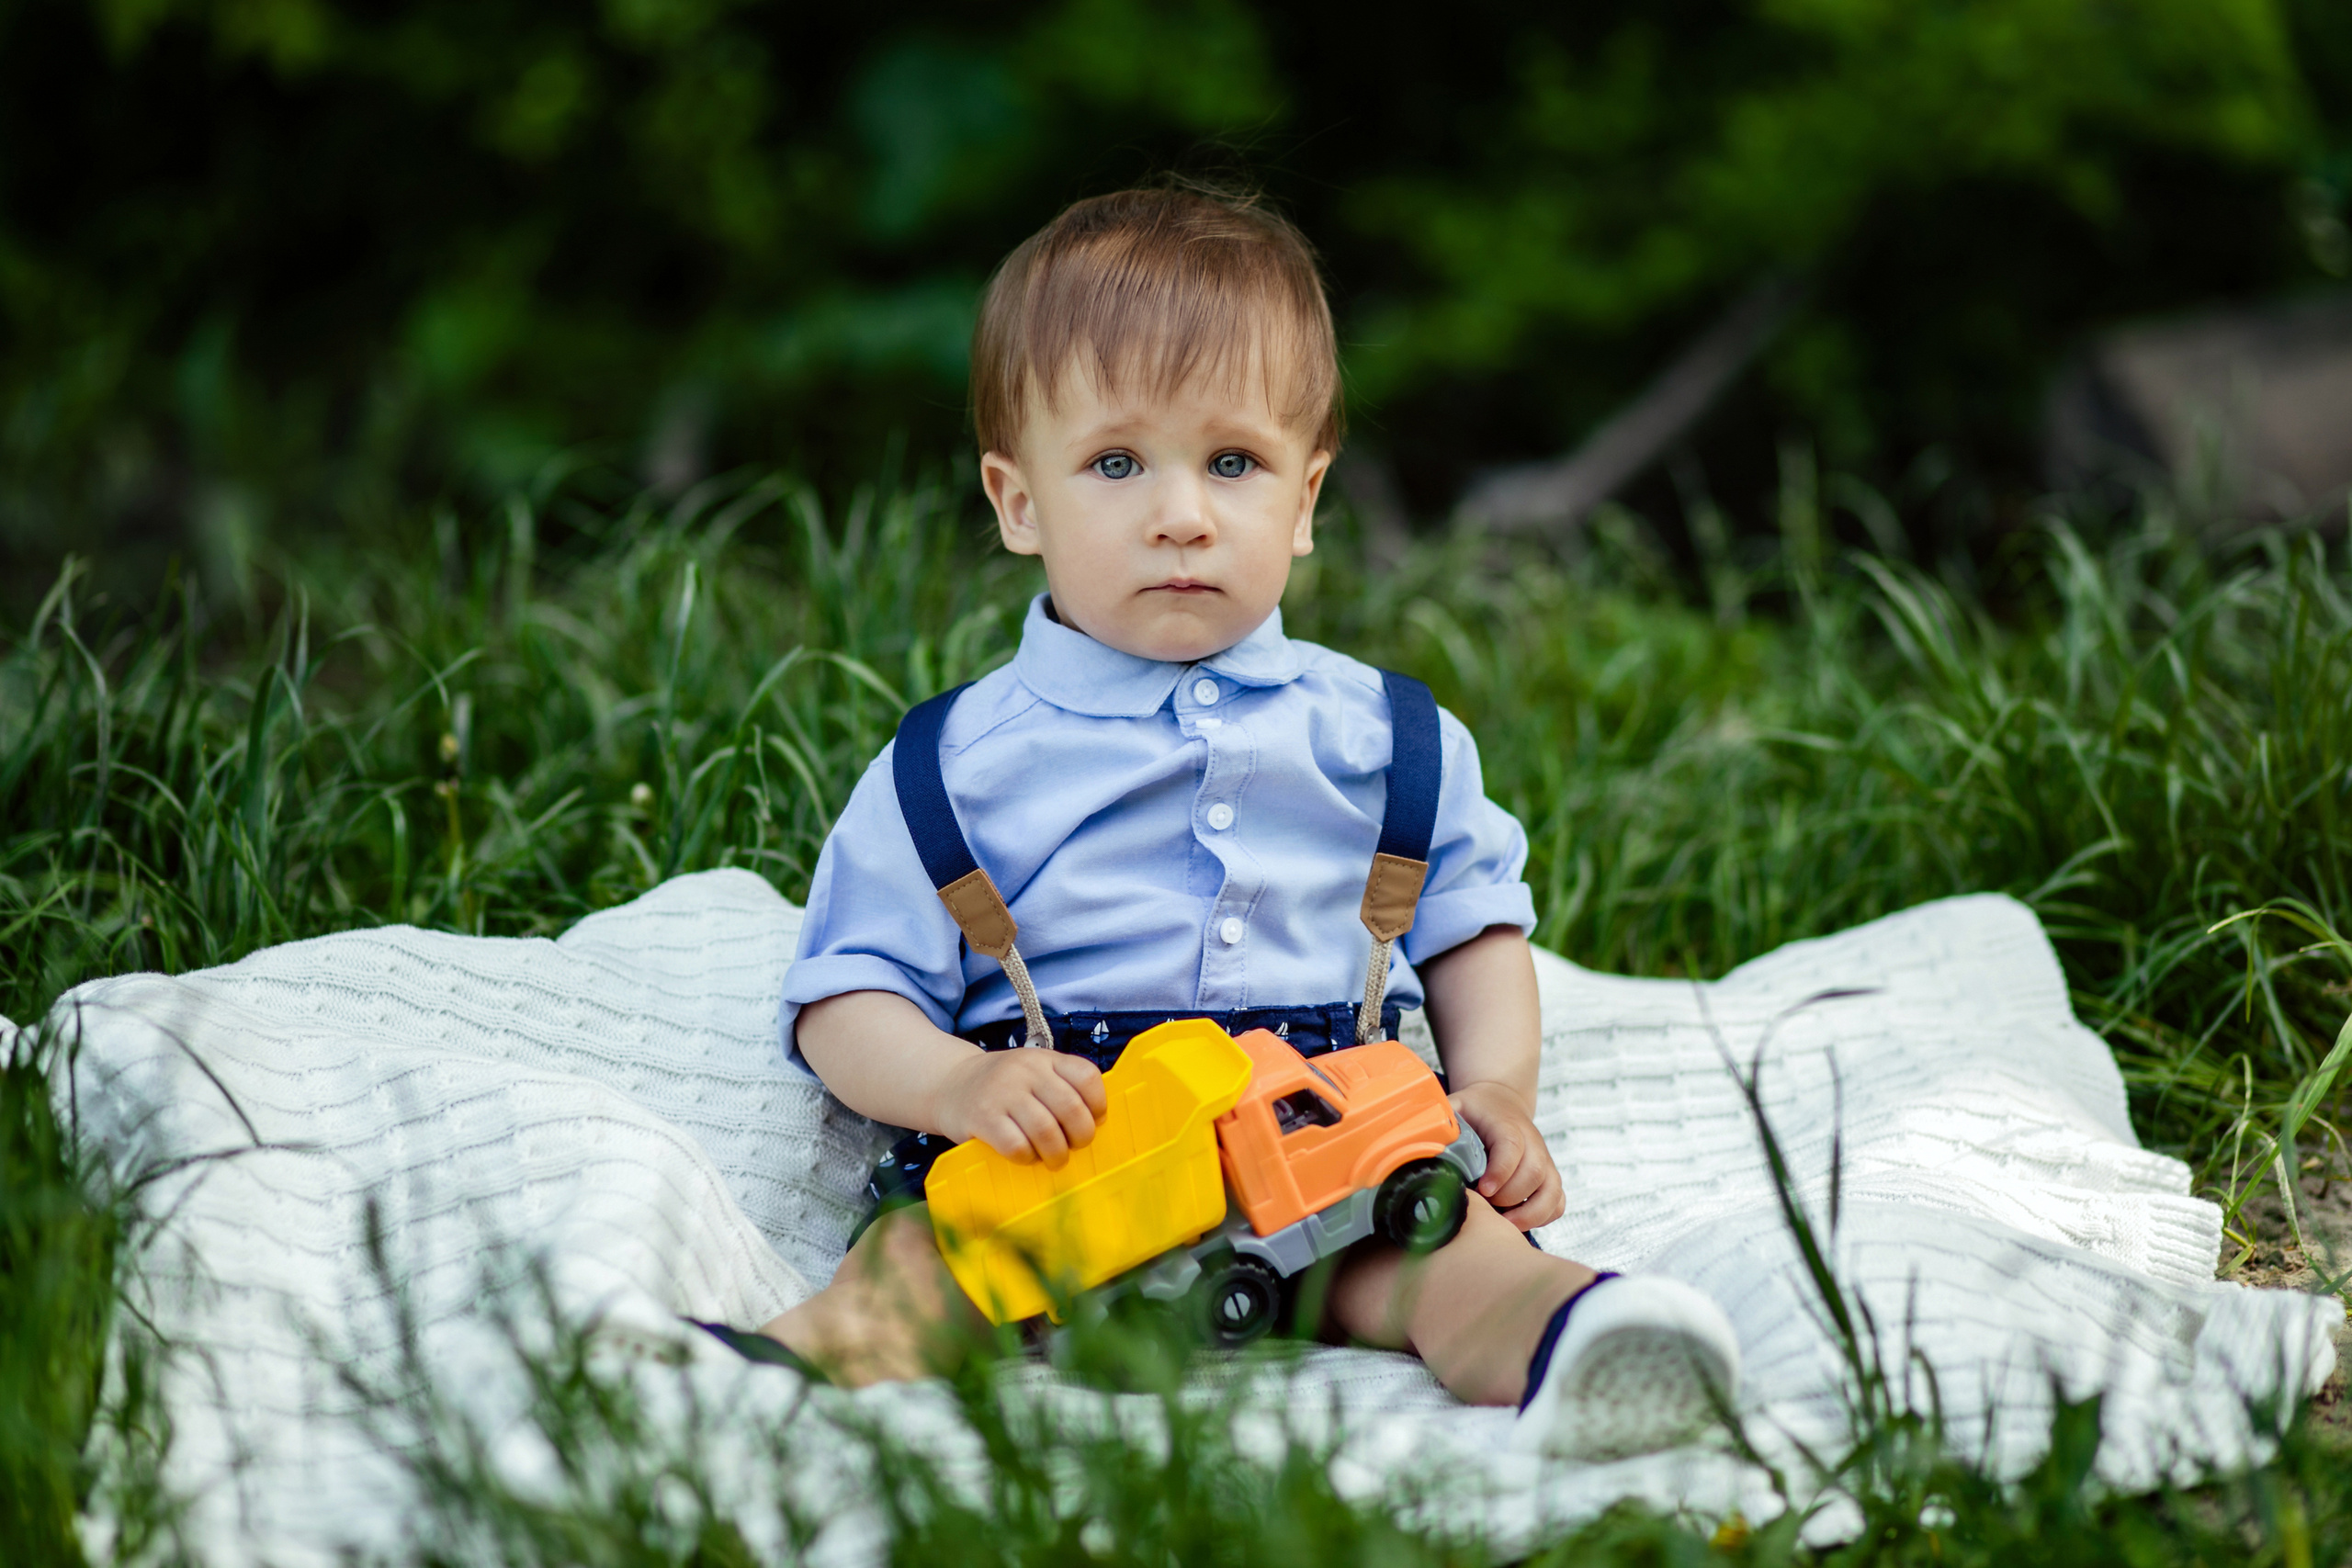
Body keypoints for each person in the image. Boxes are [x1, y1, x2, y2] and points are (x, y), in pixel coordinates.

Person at [749, 183, 1738, 1459]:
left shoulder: (1387, 739)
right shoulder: (955, 766)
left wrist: (1494, 1087)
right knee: (923, 1280)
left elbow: (1474, 930)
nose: (1182, 512)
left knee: (1451, 1254)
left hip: (1322, 1127)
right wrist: (958, 1080)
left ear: (1307, 495)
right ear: (1018, 503)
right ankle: (760, 1384)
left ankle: (1575, 1348)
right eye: (1116, 463)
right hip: (1066, 1143)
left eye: (1233, 463)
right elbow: (846, 995)